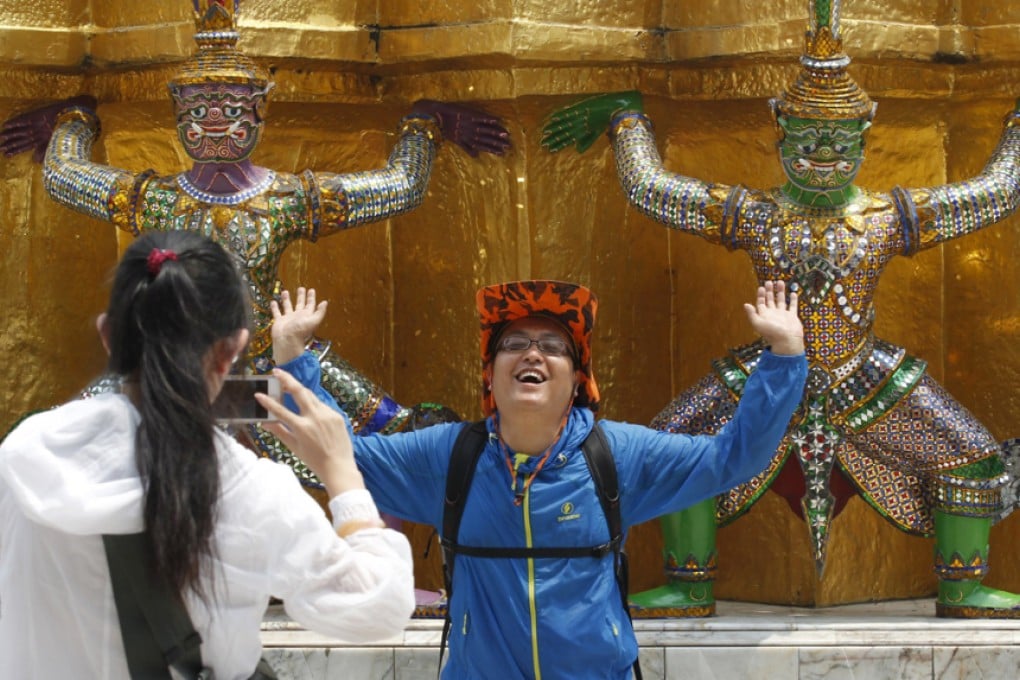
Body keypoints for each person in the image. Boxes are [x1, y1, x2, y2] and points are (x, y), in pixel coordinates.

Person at [540, 0, 1020, 618]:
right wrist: (627, 121)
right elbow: (652, 190)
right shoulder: (757, 213)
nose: (823, 150)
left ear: (864, 138)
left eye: (840, 138)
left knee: (974, 456)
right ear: (780, 134)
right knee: (671, 449)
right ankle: (690, 585)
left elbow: (995, 194)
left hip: (864, 375)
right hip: (767, 378)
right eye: (808, 136)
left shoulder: (886, 217)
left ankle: (961, 589)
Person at [0, 0, 511, 489]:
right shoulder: (158, 200)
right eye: (199, 106)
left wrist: (424, 124)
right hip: (170, 373)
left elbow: (399, 187)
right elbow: (66, 176)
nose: (214, 118)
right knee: (51, 443)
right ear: (177, 113)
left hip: (269, 369)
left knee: (406, 438)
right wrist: (73, 119)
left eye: (229, 106)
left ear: (259, 112)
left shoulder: (287, 199)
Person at [262, 277, 807, 679]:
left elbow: (732, 458)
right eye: (514, 344)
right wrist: (292, 356)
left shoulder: (616, 455)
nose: (532, 354)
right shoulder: (450, 457)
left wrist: (784, 356)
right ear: (491, 376)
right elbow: (336, 453)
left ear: (577, 381)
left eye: (552, 347)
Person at [0, 231, 415, 680]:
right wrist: (342, 474)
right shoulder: (253, 491)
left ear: (108, 336)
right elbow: (378, 606)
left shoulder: (24, 455)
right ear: (232, 350)